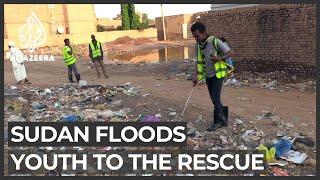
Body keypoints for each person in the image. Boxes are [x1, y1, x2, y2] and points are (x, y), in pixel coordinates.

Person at [191, 22, 234, 131]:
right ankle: (223, 118)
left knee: (215, 98)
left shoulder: (215, 41)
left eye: (197, 36)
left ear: (204, 33)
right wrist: (197, 76)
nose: (196, 39)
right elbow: (199, 62)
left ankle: (217, 122)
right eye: (194, 37)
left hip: (218, 74)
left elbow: (230, 53)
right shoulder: (198, 45)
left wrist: (219, 58)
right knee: (214, 98)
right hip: (208, 75)